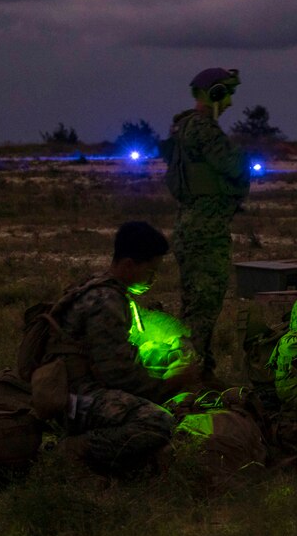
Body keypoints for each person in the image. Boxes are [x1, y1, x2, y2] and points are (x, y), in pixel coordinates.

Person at [47, 221, 199, 472]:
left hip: (78, 389)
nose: (153, 279)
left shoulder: (99, 288)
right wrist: (171, 383)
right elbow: (119, 376)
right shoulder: (106, 302)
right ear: (129, 265)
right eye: (150, 271)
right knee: (157, 422)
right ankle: (77, 449)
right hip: (76, 399)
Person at [164, 67, 250, 379]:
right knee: (203, 310)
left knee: (194, 307)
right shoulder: (204, 129)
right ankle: (189, 379)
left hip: (191, 227)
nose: (229, 102)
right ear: (214, 94)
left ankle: (200, 371)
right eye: (226, 94)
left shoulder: (184, 127)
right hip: (206, 231)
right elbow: (233, 165)